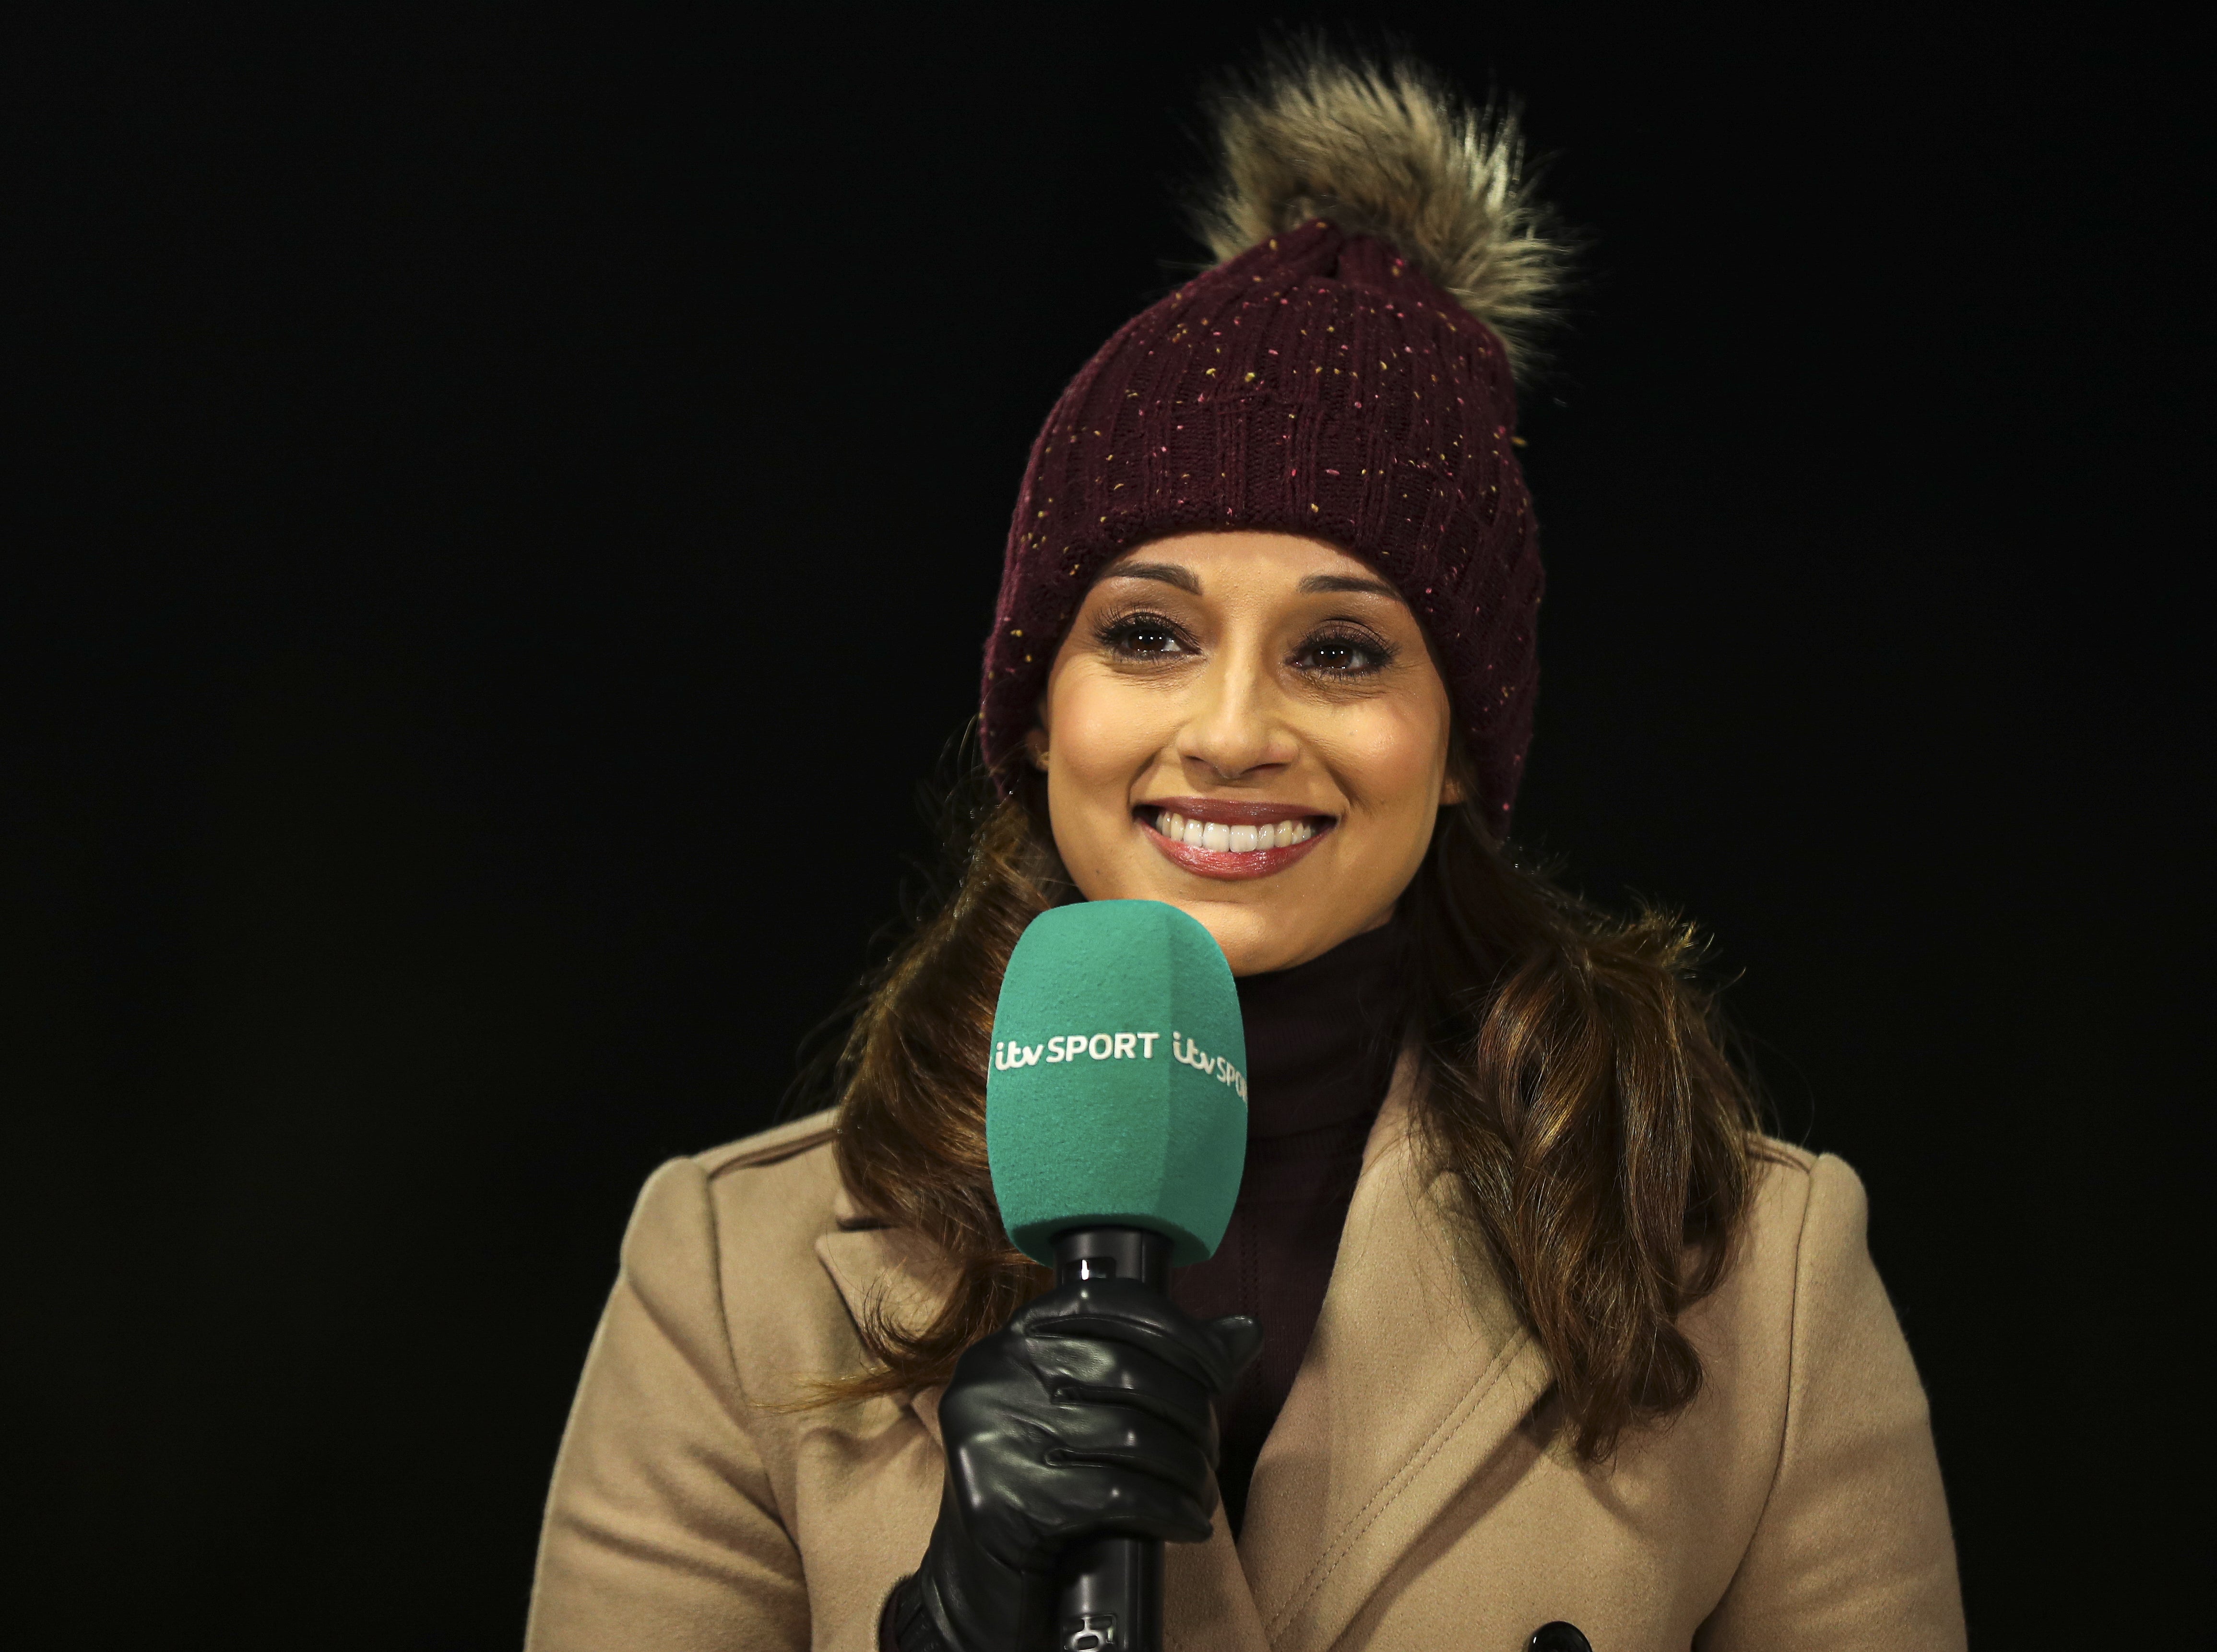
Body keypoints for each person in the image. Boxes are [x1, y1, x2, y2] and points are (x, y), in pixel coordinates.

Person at [526, 47, 1965, 1652]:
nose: (1227, 730)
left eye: (1341, 652)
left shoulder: (1752, 1269)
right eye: (1145, 633)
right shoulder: (732, 1271)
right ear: (1034, 709)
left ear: (1465, 739)